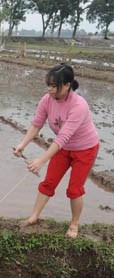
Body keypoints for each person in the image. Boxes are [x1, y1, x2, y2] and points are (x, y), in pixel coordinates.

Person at [13, 63, 99, 239]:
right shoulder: (46, 100)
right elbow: (37, 124)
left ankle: (74, 224)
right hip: (63, 148)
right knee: (48, 182)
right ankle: (34, 217)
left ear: (67, 85)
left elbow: (63, 137)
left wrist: (41, 160)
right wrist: (23, 144)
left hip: (85, 148)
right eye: (49, 85)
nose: (50, 89)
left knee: (74, 189)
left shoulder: (79, 105)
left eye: (55, 86)